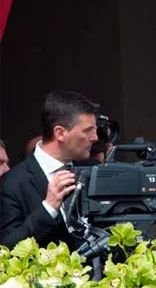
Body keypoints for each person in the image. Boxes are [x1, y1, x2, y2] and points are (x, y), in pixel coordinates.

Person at [0, 91, 99, 249]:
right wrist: (49, 208)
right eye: (87, 130)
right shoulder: (12, 183)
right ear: (60, 133)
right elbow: (7, 248)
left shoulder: (93, 169)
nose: (95, 137)